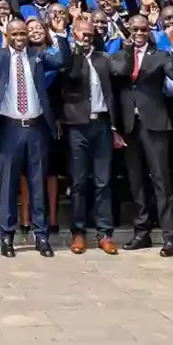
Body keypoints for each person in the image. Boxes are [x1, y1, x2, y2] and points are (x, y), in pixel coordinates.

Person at [0, 17, 68, 258]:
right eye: (14, 34)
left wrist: (59, 33)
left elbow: (62, 60)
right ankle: (7, 236)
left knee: (38, 183)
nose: (18, 39)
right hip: (8, 128)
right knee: (8, 184)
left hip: (36, 127)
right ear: (8, 35)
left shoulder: (37, 55)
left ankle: (41, 236)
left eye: (22, 34)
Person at [111, 12, 173, 255]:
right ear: (129, 32)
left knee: (161, 181)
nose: (140, 34)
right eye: (135, 30)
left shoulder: (160, 55)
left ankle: (169, 236)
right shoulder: (121, 54)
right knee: (137, 182)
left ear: (149, 32)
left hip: (154, 125)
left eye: (144, 30)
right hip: (130, 127)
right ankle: (141, 232)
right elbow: (119, 71)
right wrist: (126, 47)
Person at [58, 14, 121, 255]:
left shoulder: (102, 58)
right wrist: (75, 50)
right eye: (82, 33)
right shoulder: (70, 59)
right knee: (78, 182)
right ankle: (78, 233)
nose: (87, 37)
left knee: (103, 182)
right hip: (78, 126)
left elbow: (120, 71)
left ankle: (105, 233)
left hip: (102, 125)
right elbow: (70, 76)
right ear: (74, 34)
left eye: (90, 34)